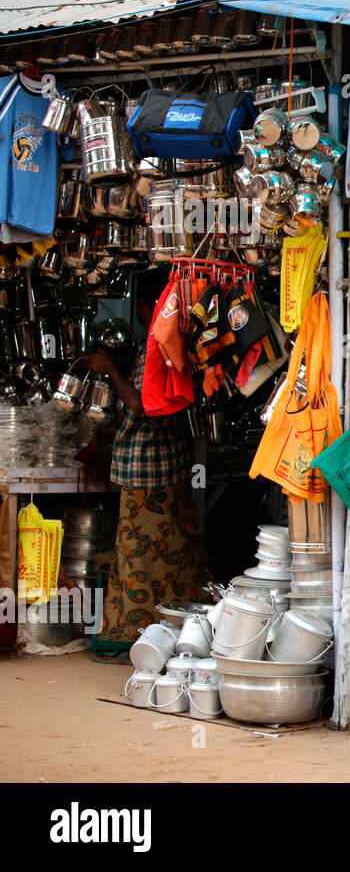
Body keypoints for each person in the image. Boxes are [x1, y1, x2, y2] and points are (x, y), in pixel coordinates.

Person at [91, 267, 208, 655]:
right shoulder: (179, 340)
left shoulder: (154, 346)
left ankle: (139, 635)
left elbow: (140, 404)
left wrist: (109, 371)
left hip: (143, 473)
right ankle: (182, 626)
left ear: (144, 306)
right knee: (177, 556)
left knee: (138, 558)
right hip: (170, 467)